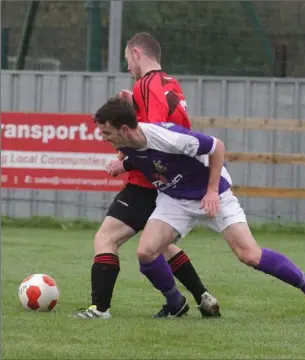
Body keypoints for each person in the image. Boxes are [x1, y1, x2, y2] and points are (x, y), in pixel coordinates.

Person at [92, 95, 305, 324]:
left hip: (213, 195)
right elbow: (146, 158)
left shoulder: (168, 137)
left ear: (124, 129)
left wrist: (211, 191)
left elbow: (216, 147)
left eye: (106, 132)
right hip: (175, 200)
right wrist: (124, 166)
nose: (103, 137)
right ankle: (175, 303)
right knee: (146, 253)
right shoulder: (127, 142)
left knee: (249, 255)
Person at [72, 33, 220, 319]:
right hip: (168, 179)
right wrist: (132, 103)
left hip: (147, 179)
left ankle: (100, 308)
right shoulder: (169, 83)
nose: (128, 67)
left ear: (137, 54)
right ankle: (201, 296)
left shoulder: (146, 84)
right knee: (160, 244)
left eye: (127, 59)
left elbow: (151, 135)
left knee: (106, 238)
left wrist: (126, 163)